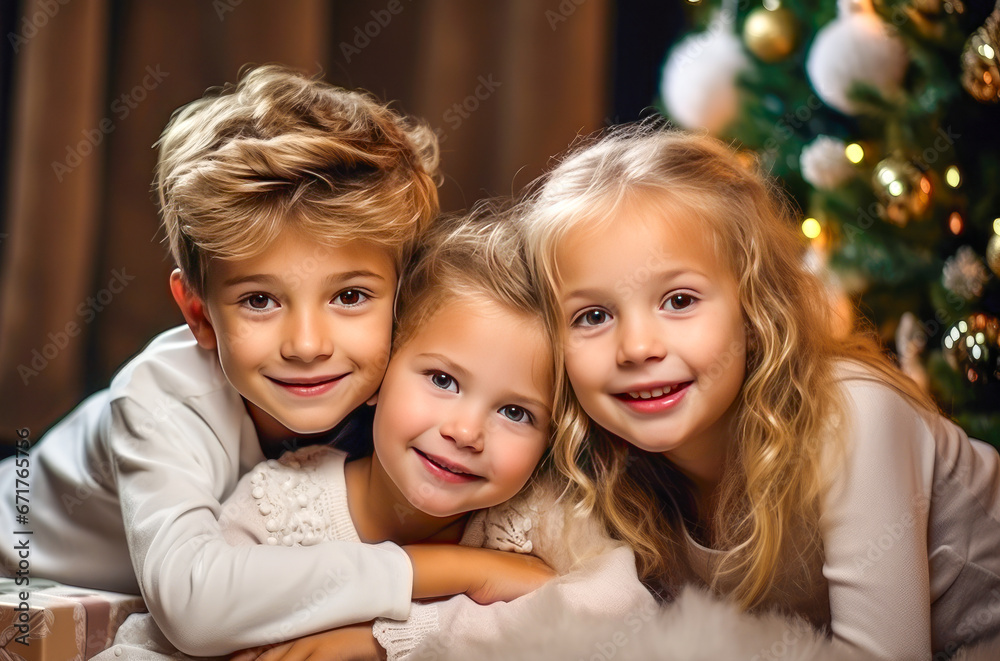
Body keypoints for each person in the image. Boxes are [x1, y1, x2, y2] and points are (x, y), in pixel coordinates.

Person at [0, 65, 540, 657]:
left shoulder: (420, 394)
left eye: (350, 297)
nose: (307, 345)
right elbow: (194, 607)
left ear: (403, 301)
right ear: (200, 314)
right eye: (259, 300)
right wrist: (453, 570)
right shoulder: (158, 394)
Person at [519, 125, 1000, 660]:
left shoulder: (852, 415)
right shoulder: (608, 467)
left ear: (754, 309)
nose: (636, 347)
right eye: (593, 315)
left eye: (679, 300)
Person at [102, 206, 652, 661]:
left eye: (516, 413)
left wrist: (392, 638)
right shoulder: (278, 504)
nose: (465, 432)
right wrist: (474, 577)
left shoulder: (537, 517)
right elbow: (163, 637)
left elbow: (629, 611)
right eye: (442, 380)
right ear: (379, 373)